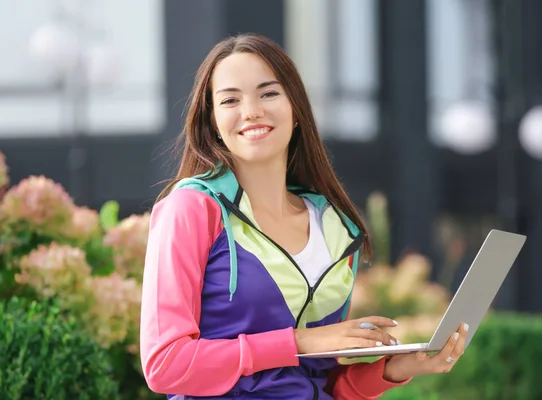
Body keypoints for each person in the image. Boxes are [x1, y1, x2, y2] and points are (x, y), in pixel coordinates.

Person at [139, 33, 468, 400]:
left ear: (296, 109)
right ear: (213, 122)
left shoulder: (335, 227)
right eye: (231, 100)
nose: (251, 111)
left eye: (268, 93)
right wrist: (298, 341)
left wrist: (396, 369)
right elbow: (165, 365)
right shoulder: (191, 209)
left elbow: (321, 383)